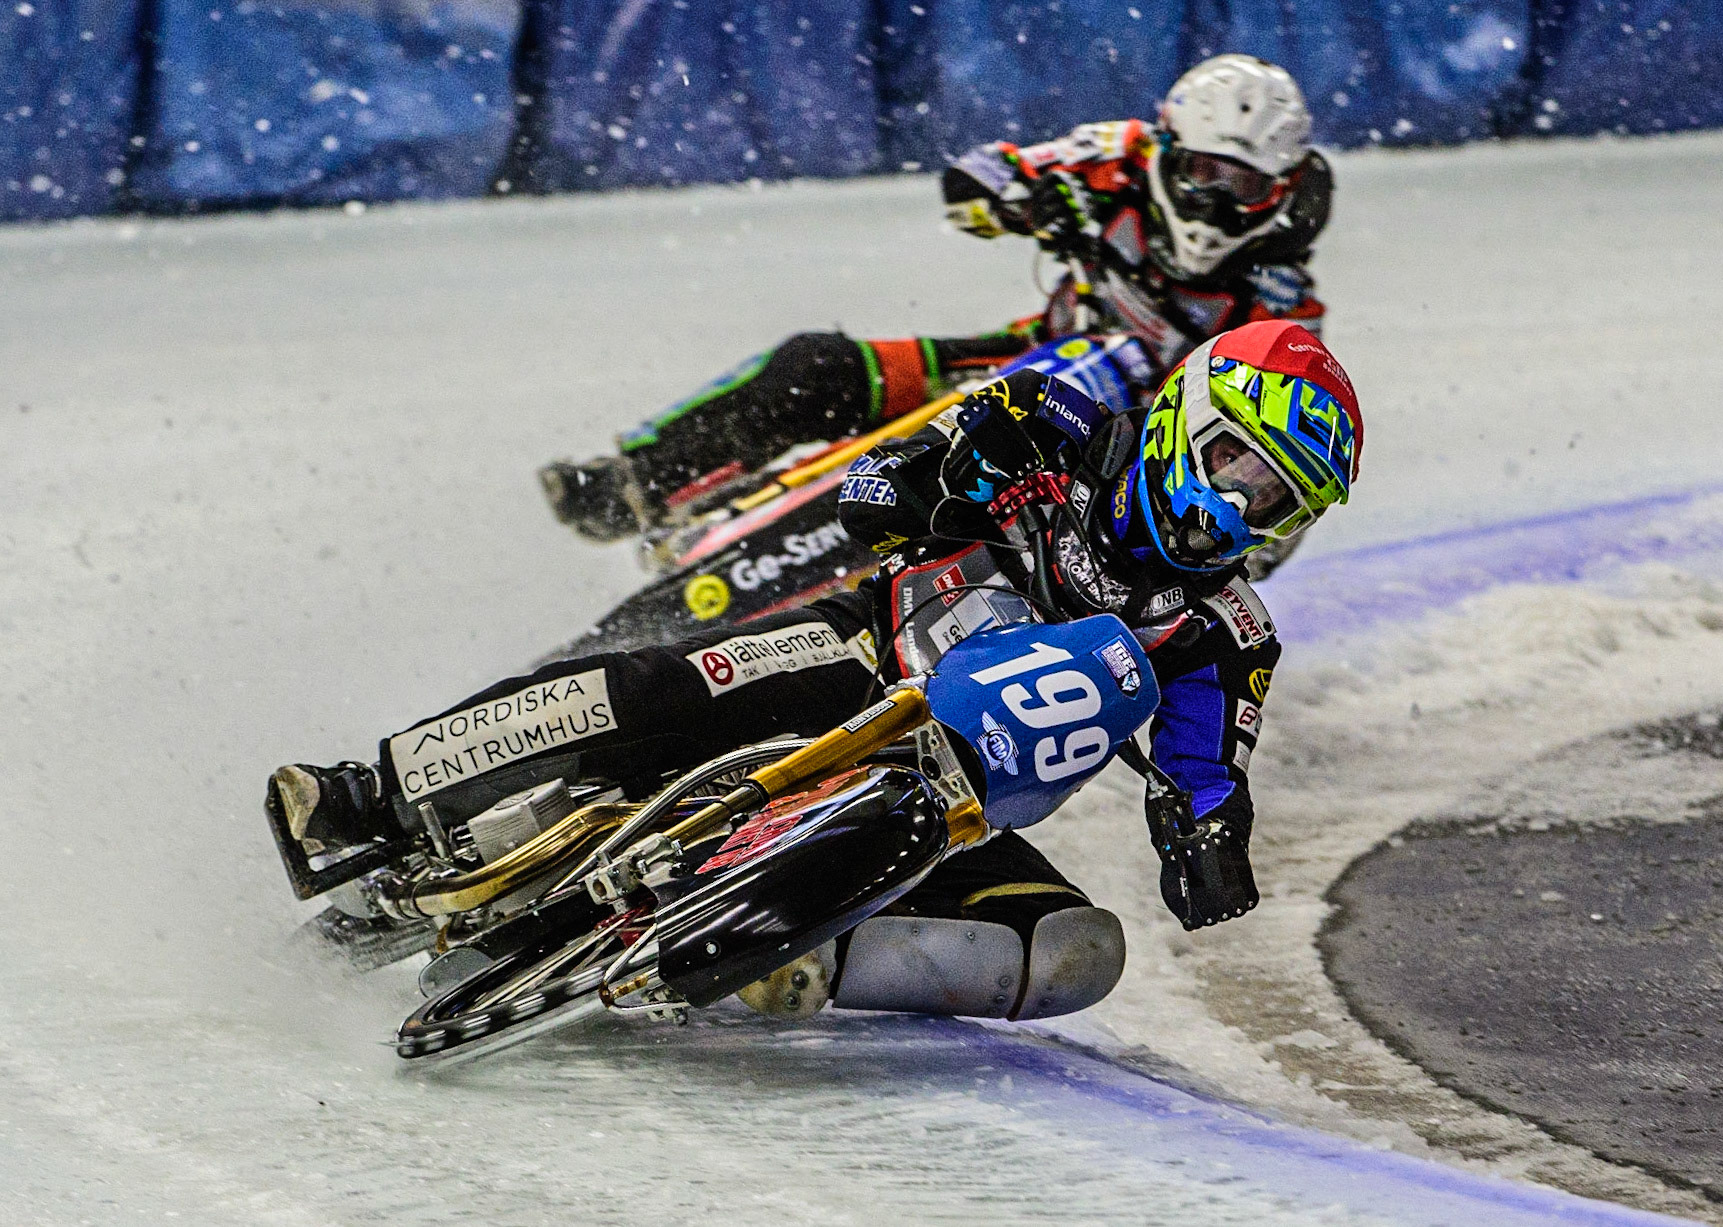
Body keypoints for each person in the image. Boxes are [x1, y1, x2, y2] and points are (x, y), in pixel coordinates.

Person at [270, 320, 1361, 1020]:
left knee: (1073, 952)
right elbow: (876, 485)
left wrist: (1210, 842)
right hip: (857, 657)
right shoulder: (1058, 422)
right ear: (1189, 418)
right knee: (657, 688)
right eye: (1236, 465)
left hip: (962, 799)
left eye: (1275, 500)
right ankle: (373, 794)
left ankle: (797, 961)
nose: (1236, 507)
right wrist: (930, 489)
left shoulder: (1232, 635)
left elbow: (1209, 771)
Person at [543, 54, 1332, 546]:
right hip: (1028, 355)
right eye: (1203, 173)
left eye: (1245, 185)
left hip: (1116, 453)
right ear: (1167, 148)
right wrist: (1029, 202)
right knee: (819, 367)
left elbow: (1287, 470)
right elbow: (974, 179)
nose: (1216, 203)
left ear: (1283, 187)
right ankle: (635, 482)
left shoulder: (1282, 304)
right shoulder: (1117, 154)